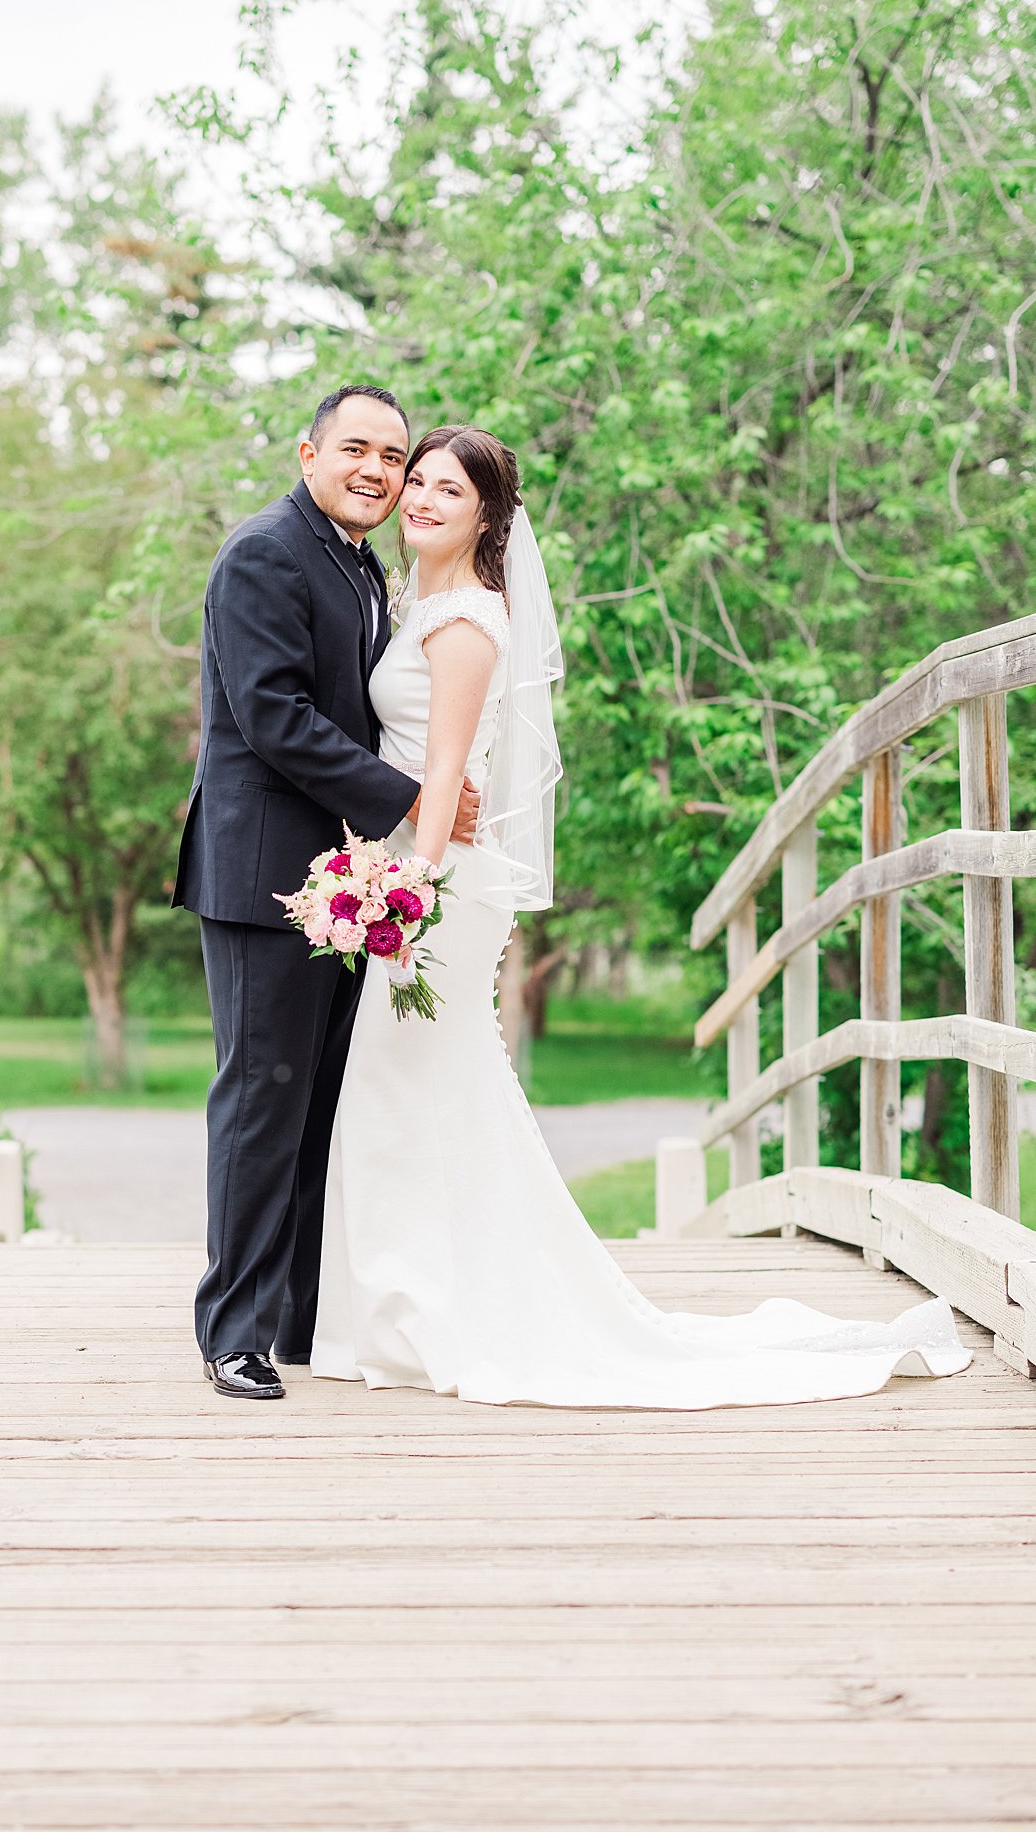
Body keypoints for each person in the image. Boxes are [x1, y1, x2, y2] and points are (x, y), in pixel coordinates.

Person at [310, 426, 972, 1408]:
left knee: (400, 1093)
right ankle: (413, 1305)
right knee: (424, 1095)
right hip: (427, 871)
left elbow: (447, 768)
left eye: (448, 490)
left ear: (488, 514)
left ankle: (425, 1311)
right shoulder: (423, 602)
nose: (419, 499)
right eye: (418, 483)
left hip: (435, 886)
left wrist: (404, 888)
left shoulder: (463, 622)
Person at [173, 385, 481, 1399]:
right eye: (358, 448)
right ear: (309, 451)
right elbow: (273, 717)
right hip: (265, 871)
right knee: (262, 1094)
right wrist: (413, 797)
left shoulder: (353, 565)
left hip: (343, 880)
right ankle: (232, 1332)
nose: (377, 470)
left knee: (313, 1103)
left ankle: (293, 1313)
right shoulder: (266, 551)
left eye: (393, 457)